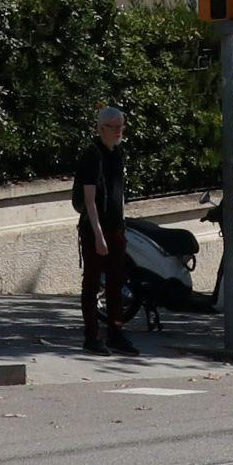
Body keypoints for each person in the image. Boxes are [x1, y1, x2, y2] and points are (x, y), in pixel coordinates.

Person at [73, 101, 137, 356]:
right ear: (101, 128)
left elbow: (118, 195)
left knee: (116, 283)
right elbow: (89, 199)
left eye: (121, 127)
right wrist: (99, 236)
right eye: (114, 127)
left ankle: (116, 333)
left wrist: (120, 229)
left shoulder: (118, 154)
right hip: (95, 229)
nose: (119, 131)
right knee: (91, 283)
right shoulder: (92, 155)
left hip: (115, 226)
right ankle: (91, 336)